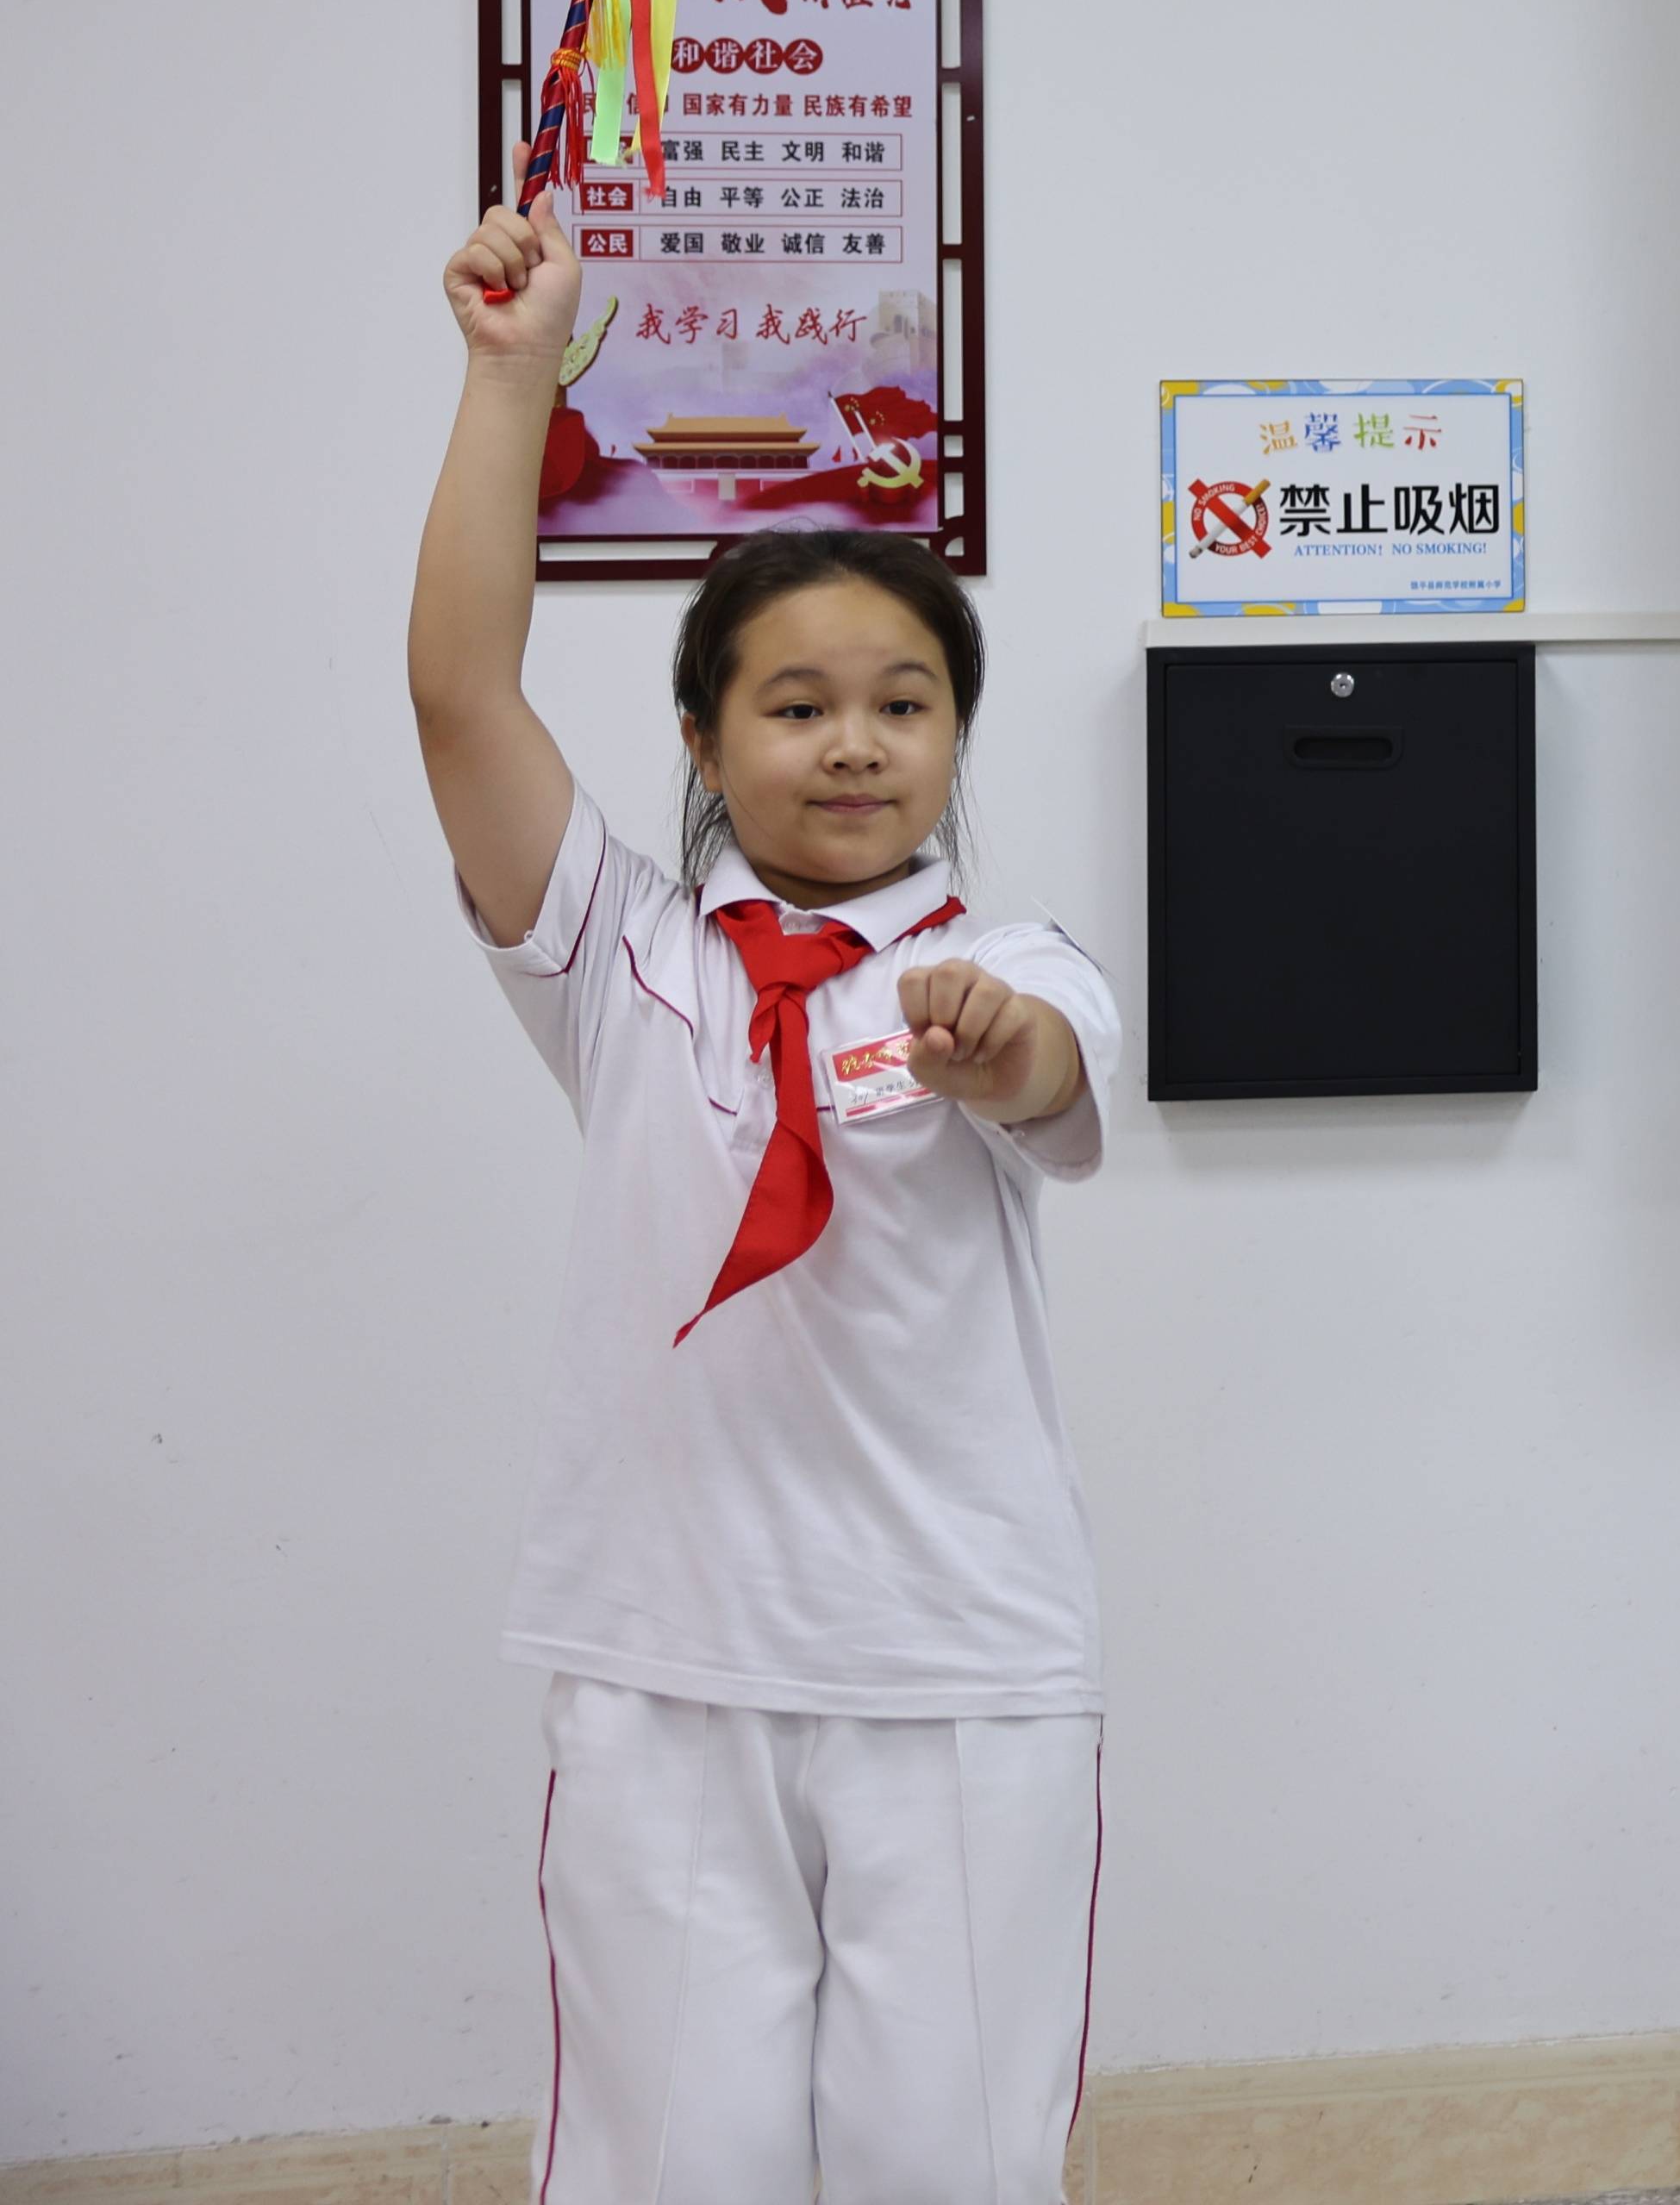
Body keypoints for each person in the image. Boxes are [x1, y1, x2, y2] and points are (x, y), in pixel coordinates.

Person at [409, 198, 1124, 2205]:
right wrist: (503, 379)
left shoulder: (1024, 957)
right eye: (795, 702)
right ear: (709, 740)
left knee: (948, 2166)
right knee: (664, 2166)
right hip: (668, 1663)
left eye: (904, 699)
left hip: (963, 1669)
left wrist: (991, 1046)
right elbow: (462, 701)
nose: (854, 740)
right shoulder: (622, 958)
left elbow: (1057, 1079)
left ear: (956, 735)